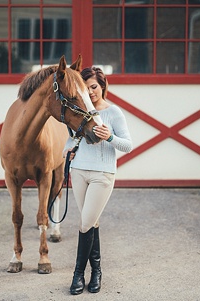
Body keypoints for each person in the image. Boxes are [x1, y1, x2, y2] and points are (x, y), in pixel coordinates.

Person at [65, 66, 132, 295]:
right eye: (86, 88)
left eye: (93, 87)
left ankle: (76, 275)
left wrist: (110, 137)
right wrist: (69, 150)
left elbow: (128, 145)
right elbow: (70, 140)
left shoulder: (114, 113)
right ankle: (96, 271)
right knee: (91, 223)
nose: (91, 92)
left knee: (84, 223)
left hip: (102, 175)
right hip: (79, 172)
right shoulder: (81, 111)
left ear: (102, 86)